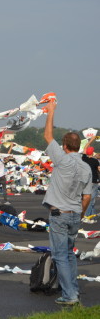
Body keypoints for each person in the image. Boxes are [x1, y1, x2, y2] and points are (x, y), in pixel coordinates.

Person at [42, 100, 92, 306]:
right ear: (78, 146)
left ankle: (70, 294)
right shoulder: (87, 168)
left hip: (60, 213)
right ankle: (73, 290)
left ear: (64, 146)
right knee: (70, 255)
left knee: (60, 255)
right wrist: (80, 214)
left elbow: (47, 136)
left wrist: (51, 112)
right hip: (74, 212)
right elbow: (87, 196)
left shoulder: (62, 159)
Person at [81, 137, 99, 218]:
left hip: (85, 181)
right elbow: (98, 169)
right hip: (94, 180)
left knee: (86, 197)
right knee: (91, 199)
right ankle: (87, 215)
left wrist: (91, 140)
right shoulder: (95, 161)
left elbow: (85, 148)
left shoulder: (83, 159)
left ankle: (92, 214)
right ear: (92, 153)